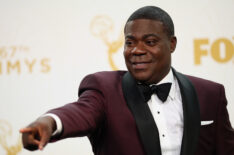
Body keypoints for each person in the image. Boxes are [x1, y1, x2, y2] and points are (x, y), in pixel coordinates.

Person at [20, 6, 234, 155]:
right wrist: (48, 123)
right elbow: (80, 112)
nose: (137, 51)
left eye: (149, 42)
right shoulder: (104, 88)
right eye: (130, 42)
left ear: (172, 44)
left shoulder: (210, 94)